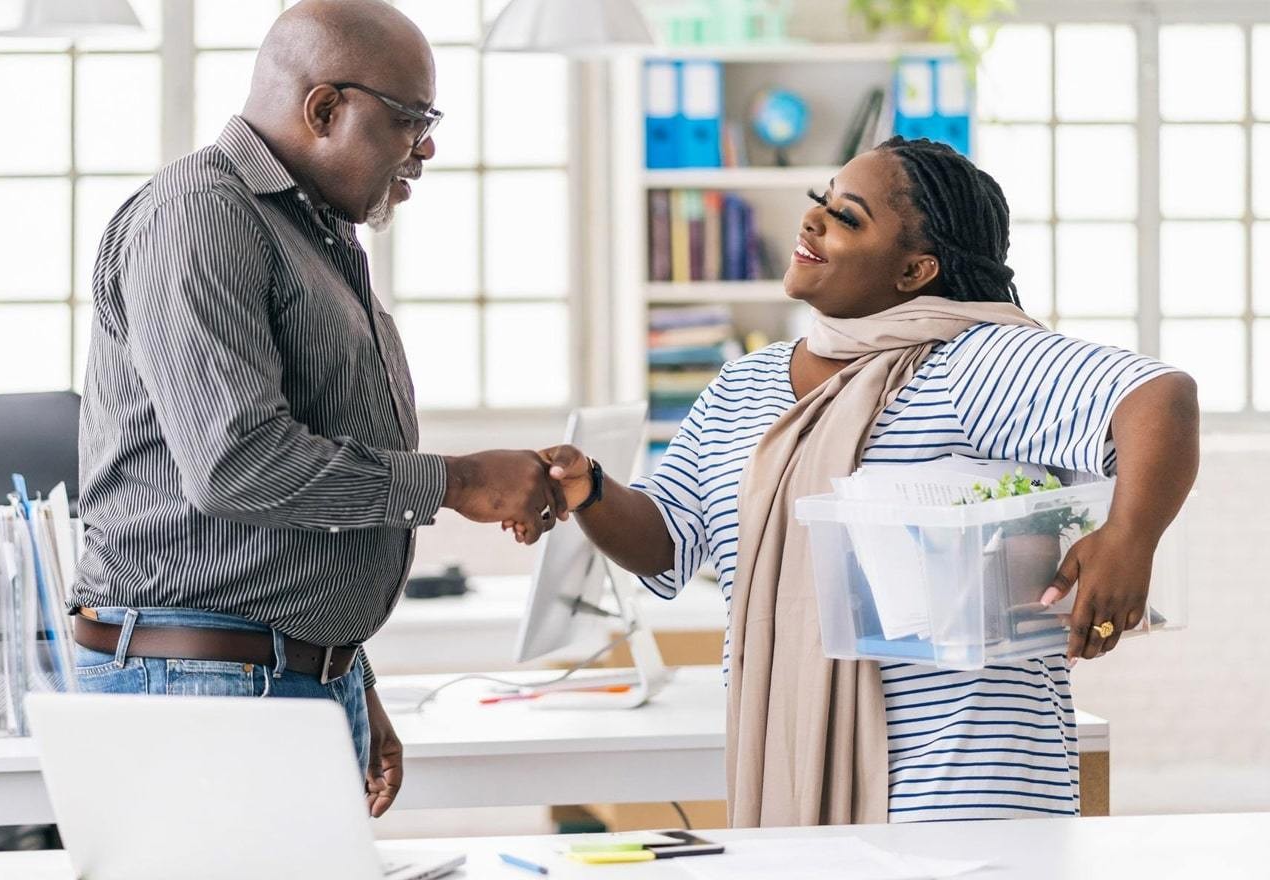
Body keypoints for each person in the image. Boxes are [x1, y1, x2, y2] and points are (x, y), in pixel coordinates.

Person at [528, 137, 1199, 826]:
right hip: (794, 760)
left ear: (915, 270)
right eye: (821, 202)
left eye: (847, 217)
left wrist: (1129, 538)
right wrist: (589, 491)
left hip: (965, 778)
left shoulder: (972, 360)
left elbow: (1157, 396)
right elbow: (669, 541)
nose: (812, 221)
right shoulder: (746, 384)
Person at [71, 0, 564, 819]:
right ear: (325, 107)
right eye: (412, 120)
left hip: (267, 673)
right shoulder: (201, 216)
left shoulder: (312, 232)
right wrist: (456, 481)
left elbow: (281, 533)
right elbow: (236, 466)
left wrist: (340, 667)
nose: (427, 147)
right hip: (201, 682)